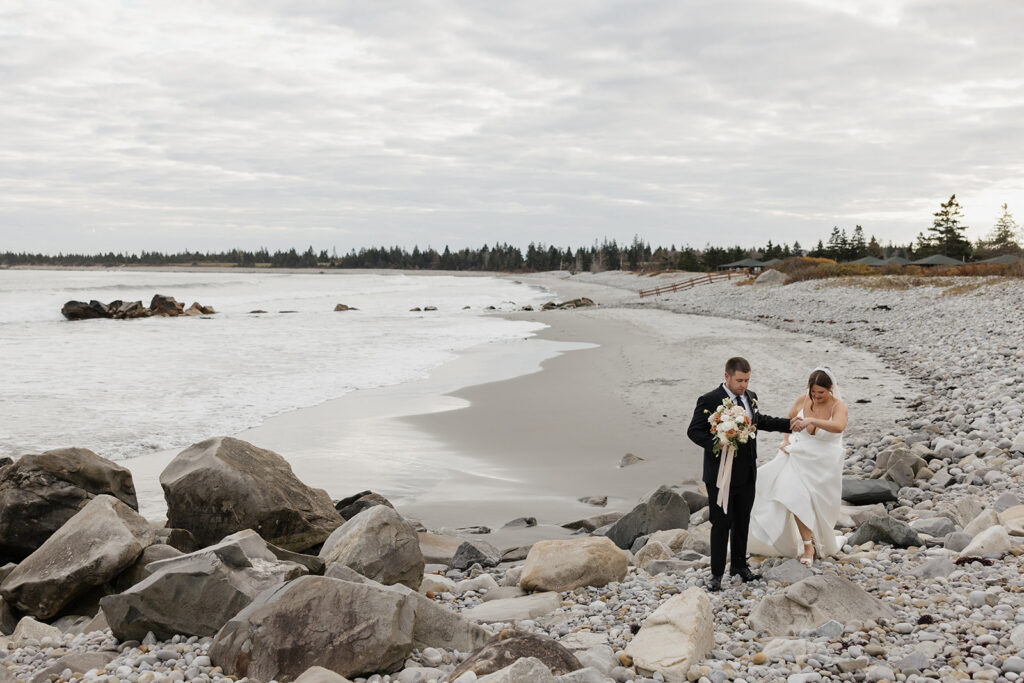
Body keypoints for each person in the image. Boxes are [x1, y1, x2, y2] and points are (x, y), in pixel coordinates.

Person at [687, 357, 794, 591]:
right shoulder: (709, 399)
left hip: (747, 472)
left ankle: (739, 566)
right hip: (720, 475)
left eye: (746, 380)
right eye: (739, 380)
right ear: (727, 376)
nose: (743, 385)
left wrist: (789, 424)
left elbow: (758, 421)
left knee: (743, 520)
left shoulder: (751, 397)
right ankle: (716, 574)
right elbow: (694, 431)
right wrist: (719, 442)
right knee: (721, 523)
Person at [748, 366, 848, 566]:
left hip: (824, 463)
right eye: (813, 392)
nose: (816, 396)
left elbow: (839, 426)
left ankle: (820, 541)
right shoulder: (802, 401)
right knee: (793, 495)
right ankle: (807, 545)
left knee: (820, 507)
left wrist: (812, 420)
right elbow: (789, 422)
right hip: (797, 456)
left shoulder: (838, 406)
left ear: (830, 389)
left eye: (821, 392)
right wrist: (786, 441)